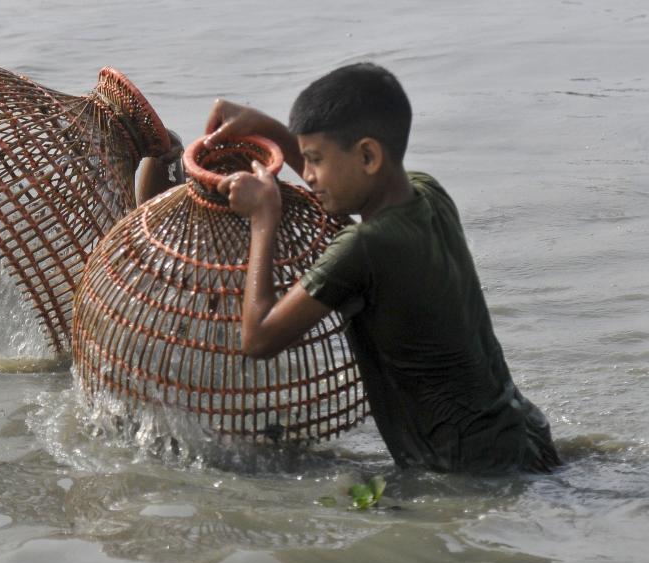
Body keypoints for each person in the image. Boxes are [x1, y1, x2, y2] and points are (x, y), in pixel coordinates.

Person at [207, 63, 560, 473]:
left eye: (314, 160)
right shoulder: (428, 193)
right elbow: (355, 202)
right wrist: (270, 129)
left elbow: (258, 337)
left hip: (469, 469)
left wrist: (263, 217)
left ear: (369, 156)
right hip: (522, 433)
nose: (307, 176)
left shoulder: (363, 249)